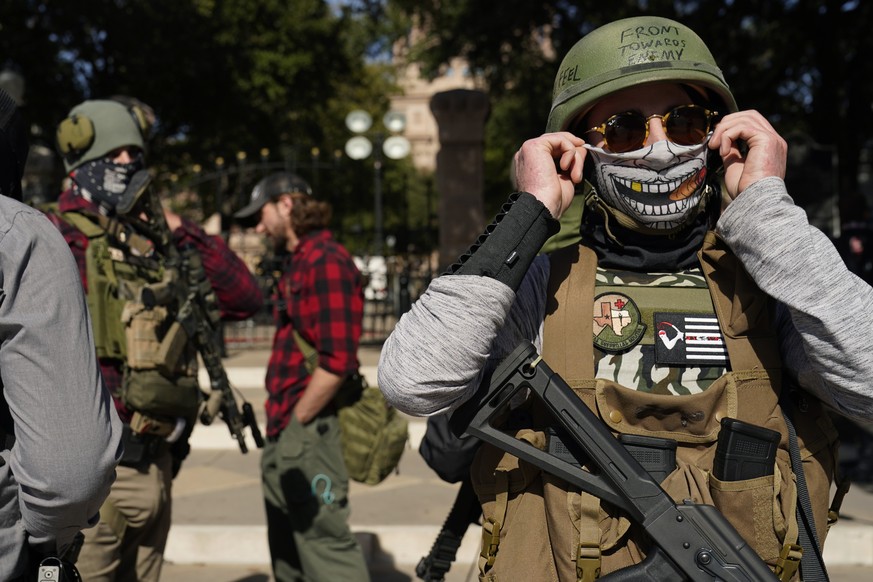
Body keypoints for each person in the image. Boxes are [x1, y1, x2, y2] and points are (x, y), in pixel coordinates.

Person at [378, 15, 873, 581]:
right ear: (581, 149)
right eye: (623, 129)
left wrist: (764, 208)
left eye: (686, 124)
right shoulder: (547, 289)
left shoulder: (770, 286)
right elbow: (413, 383)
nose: (661, 151)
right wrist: (530, 211)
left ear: (718, 137)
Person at [47, 98, 263, 581]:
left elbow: (245, 297)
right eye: (115, 154)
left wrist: (174, 227)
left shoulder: (155, 243)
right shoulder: (55, 236)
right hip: (95, 474)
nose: (129, 163)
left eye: (134, 154)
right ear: (81, 163)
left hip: (159, 462)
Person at [0, 89, 122, 579]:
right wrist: (44, 534)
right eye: (115, 154)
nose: (127, 165)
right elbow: (69, 475)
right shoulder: (20, 233)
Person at [233, 171, 370, 581]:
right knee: (289, 557)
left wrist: (297, 424)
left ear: (287, 205)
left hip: (308, 432)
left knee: (325, 549)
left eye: (262, 213)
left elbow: (337, 360)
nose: (259, 226)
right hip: (287, 430)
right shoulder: (301, 261)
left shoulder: (325, 262)